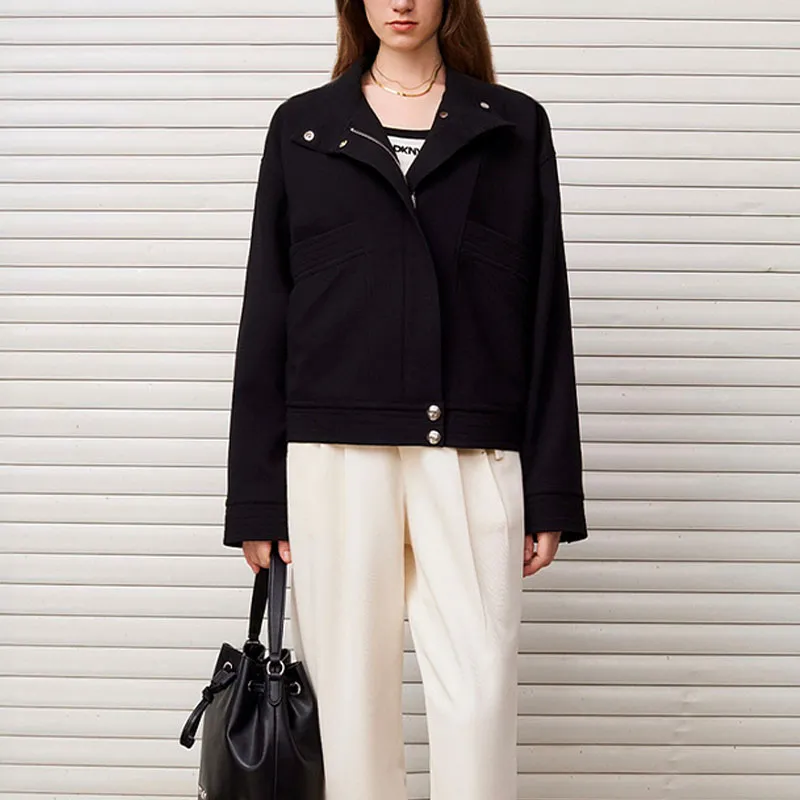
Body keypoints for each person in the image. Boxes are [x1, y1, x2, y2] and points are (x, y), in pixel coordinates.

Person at [223, 1, 588, 798]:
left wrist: (553, 490)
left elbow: (543, 314)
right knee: (346, 709)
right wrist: (257, 499)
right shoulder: (304, 128)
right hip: (334, 455)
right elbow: (268, 313)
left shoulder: (512, 126)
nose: (401, 2)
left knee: (478, 697)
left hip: (472, 451)